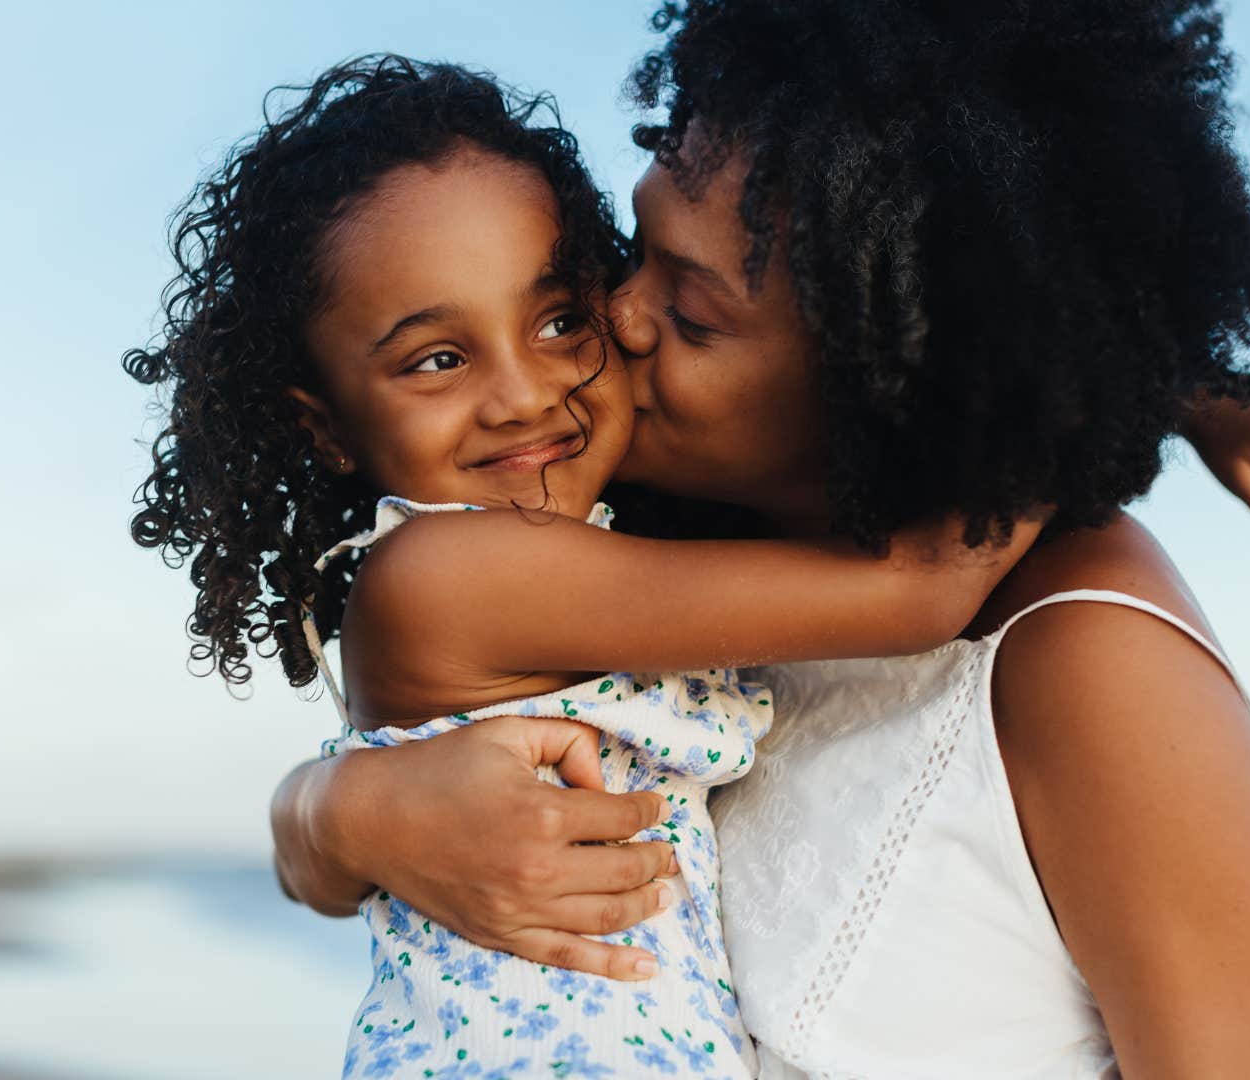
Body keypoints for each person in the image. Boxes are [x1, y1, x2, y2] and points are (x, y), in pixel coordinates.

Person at [274, 1, 1250, 1073]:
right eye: (629, 252)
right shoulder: (657, 564)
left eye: (695, 315)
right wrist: (339, 817)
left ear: (883, 367)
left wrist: (1132, 384)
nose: (617, 321)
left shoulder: (1091, 658)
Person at [125, 57, 1053, 1078]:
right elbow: (920, 587)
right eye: (438, 358)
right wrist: (1127, 369)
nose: (522, 394)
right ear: (329, 431)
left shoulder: (597, 552)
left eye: (561, 319)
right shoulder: (453, 572)